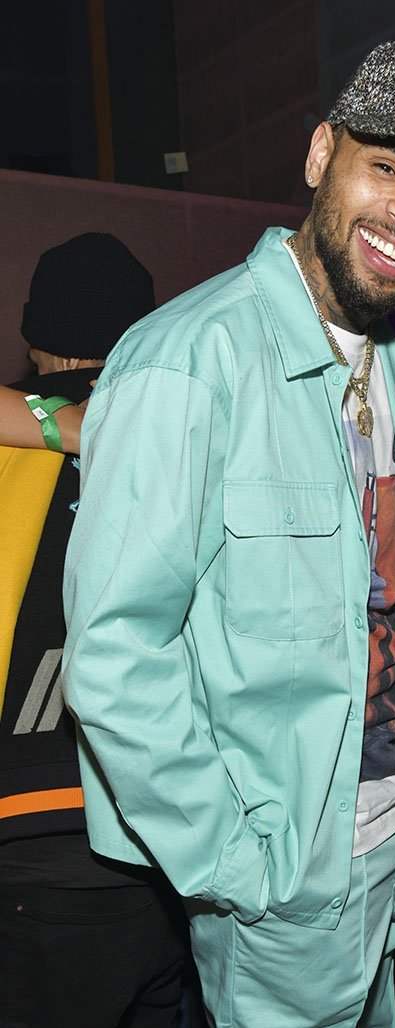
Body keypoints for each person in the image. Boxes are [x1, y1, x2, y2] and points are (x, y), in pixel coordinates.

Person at [62, 41, 395, 1027]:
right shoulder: (184, 359)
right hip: (282, 862)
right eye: (385, 166)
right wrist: (235, 863)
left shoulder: (392, 366)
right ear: (319, 156)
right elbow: (113, 653)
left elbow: (387, 593)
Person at [0, 232, 188, 1028]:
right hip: (177, 835)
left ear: (33, 337)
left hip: (32, 842)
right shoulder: (182, 446)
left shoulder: (20, 433)